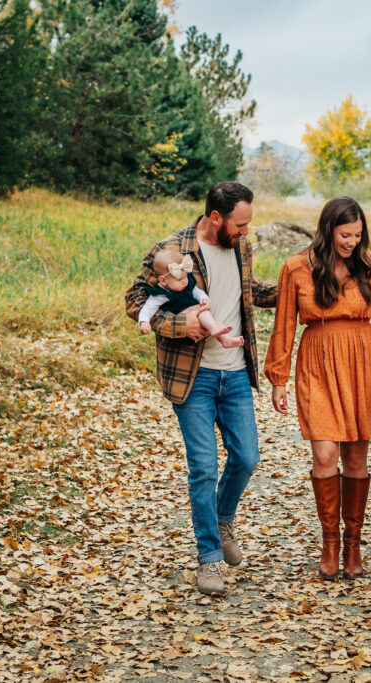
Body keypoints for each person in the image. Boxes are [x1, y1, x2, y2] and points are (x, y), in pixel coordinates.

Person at [125, 181, 276, 595]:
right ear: (215, 217)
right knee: (204, 467)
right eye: (240, 224)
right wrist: (180, 325)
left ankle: (223, 516)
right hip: (193, 377)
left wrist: (294, 288)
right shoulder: (172, 252)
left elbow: (250, 292)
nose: (246, 232)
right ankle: (209, 560)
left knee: (246, 458)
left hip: (236, 372)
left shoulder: (241, 247)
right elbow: (136, 300)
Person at [265, 196, 371, 579]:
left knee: (357, 460)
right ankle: (329, 542)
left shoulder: (370, 264)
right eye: (345, 234)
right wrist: (278, 379)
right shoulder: (296, 268)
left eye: (358, 234)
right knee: (325, 456)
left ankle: (352, 545)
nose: (351, 241)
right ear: (328, 229)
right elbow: (282, 327)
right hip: (316, 362)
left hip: (362, 364)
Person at [137, 246, 244, 348]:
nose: (185, 282)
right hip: (181, 322)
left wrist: (204, 299)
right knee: (200, 310)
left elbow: (197, 292)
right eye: (179, 279)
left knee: (217, 322)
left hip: (196, 319)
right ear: (163, 280)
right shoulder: (160, 294)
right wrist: (144, 322)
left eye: (186, 277)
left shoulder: (186, 284)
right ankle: (214, 328)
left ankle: (226, 340)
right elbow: (147, 308)